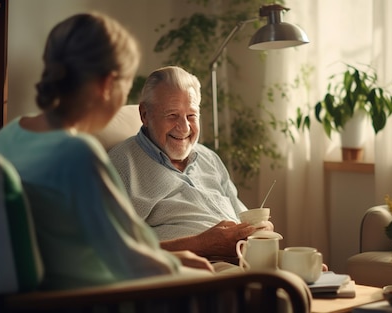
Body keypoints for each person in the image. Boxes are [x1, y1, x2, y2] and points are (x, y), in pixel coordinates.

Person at [0, 13, 212, 290]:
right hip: (91, 299)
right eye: (127, 84)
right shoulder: (77, 154)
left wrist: (178, 257)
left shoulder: (7, 136)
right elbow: (128, 259)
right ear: (107, 85)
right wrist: (185, 263)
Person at [108, 66, 274, 260]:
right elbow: (110, 250)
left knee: (308, 276)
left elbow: (242, 216)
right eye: (172, 115)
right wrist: (201, 246)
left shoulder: (209, 158)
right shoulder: (119, 167)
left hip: (247, 261)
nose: (184, 127)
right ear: (145, 115)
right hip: (194, 273)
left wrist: (259, 229)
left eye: (191, 116)